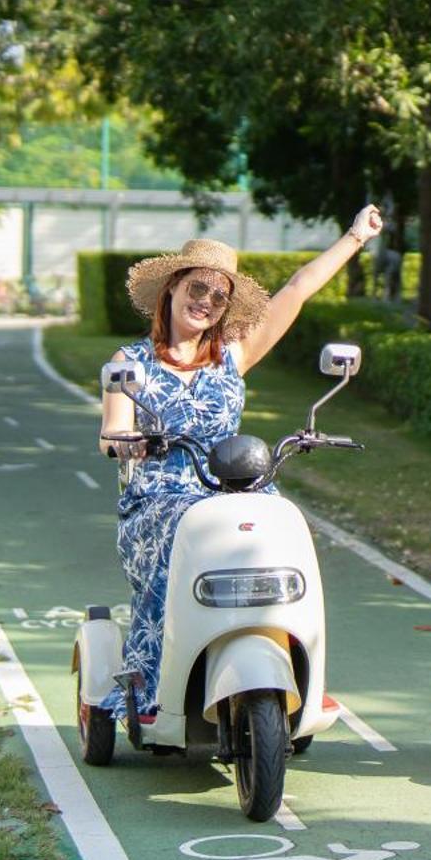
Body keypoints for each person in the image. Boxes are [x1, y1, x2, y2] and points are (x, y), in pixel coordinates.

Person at [95, 206, 384, 718]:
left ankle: (295, 667)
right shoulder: (129, 363)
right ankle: (152, 682)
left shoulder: (234, 354)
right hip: (159, 497)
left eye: (218, 295)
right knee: (173, 543)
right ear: (173, 288)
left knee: (284, 532)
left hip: (233, 489)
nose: (205, 302)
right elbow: (112, 429)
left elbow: (296, 290)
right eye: (197, 288)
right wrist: (125, 440)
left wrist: (355, 236)